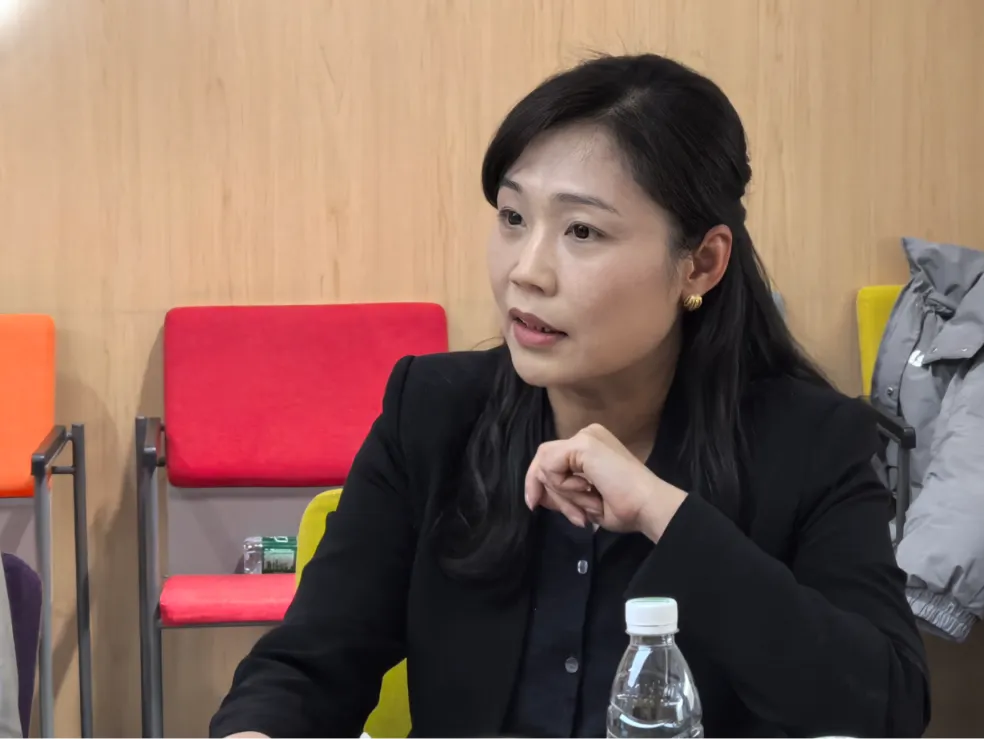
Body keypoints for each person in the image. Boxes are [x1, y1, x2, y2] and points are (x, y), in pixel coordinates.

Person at [210, 53, 929, 738]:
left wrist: (665, 514)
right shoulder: (430, 413)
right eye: (512, 218)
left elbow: (885, 705)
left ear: (701, 264)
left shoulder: (811, 443)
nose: (526, 271)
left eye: (582, 231)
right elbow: (308, 667)